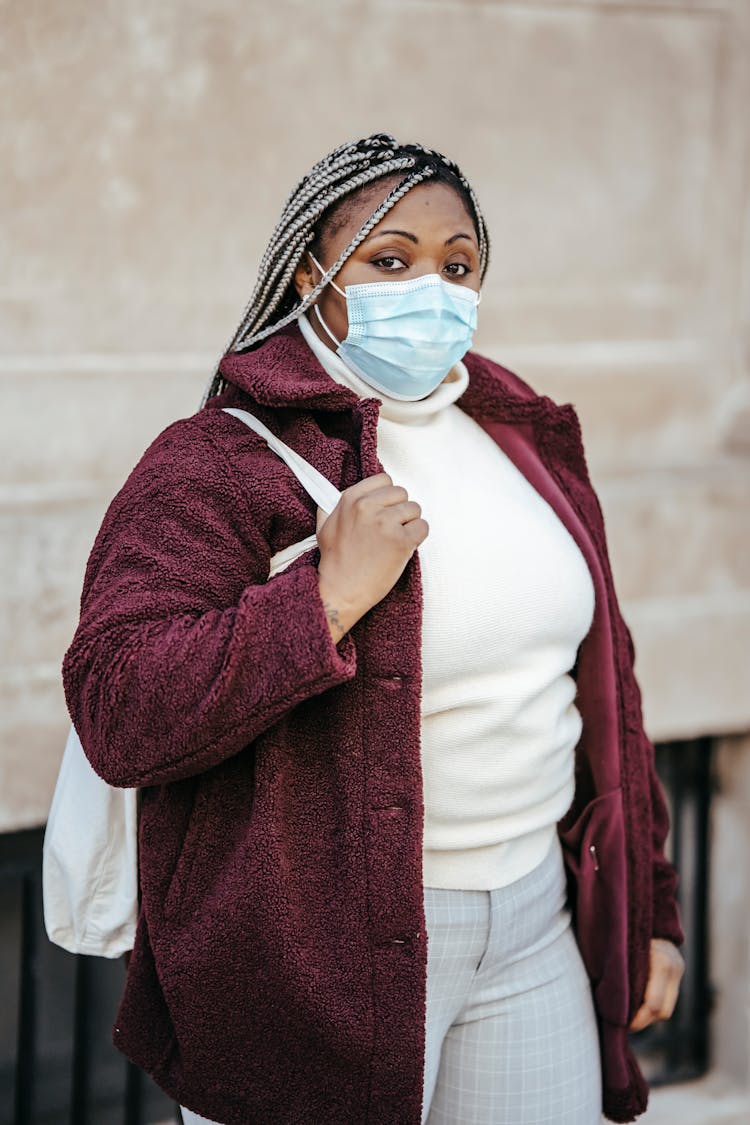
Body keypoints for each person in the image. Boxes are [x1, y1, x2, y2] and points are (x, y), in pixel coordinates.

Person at [62, 134, 685, 1125]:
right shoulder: (218, 459)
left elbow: (610, 689)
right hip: (315, 958)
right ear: (312, 272)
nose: (431, 287)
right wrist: (323, 602)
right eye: (389, 261)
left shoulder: (526, 435)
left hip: (534, 928)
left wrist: (648, 905)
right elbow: (118, 704)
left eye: (458, 264)